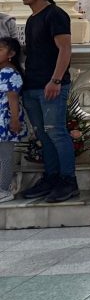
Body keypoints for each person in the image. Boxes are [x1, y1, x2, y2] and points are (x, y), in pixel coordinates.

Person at [18, 0, 77, 203]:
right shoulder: (32, 19)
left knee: (56, 132)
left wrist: (56, 80)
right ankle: (51, 177)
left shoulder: (55, 14)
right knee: (43, 134)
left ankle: (68, 181)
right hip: (32, 84)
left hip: (50, 84)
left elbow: (65, 49)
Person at [0, 37, 26, 203]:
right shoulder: (3, 71)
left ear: (11, 54)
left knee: (5, 155)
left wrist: (14, 119)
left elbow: (13, 97)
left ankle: (5, 189)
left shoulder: (10, 72)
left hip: (5, 119)